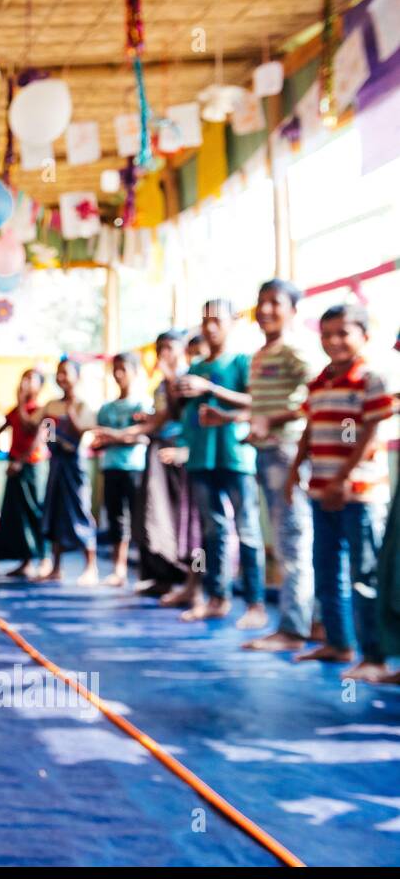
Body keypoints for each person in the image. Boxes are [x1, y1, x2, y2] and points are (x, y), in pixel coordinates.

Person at [290, 305, 396, 682]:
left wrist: (342, 480)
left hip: (359, 494)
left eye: (343, 332)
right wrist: (294, 472)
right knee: (327, 568)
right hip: (321, 491)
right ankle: (339, 643)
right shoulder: (319, 383)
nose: (334, 341)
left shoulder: (371, 379)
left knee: (364, 575)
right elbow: (309, 430)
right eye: (327, 333)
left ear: (364, 336)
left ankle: (374, 655)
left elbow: (367, 436)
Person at [174, 299, 267, 628]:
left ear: (233, 322)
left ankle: (255, 603)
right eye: (205, 320)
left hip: (236, 457)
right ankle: (217, 598)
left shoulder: (243, 361)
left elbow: (258, 401)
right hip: (200, 458)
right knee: (212, 533)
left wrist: (211, 388)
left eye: (216, 320)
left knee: (247, 531)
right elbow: (182, 416)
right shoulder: (194, 367)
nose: (210, 327)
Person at [242, 279, 317, 651]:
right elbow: (267, 405)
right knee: (292, 537)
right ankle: (313, 623)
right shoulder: (260, 354)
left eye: (275, 302)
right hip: (267, 451)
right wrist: (255, 425)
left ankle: (292, 629)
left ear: (292, 310)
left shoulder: (294, 349)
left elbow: (318, 393)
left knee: (292, 540)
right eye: (261, 302)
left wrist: (273, 421)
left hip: (290, 452)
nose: (266, 309)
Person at [130, 331, 203, 604]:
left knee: (189, 525)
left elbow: (183, 416)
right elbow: (162, 418)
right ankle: (163, 578)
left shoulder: (190, 378)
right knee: (155, 519)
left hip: (184, 454)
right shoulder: (161, 384)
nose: (164, 354)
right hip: (161, 451)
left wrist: (185, 451)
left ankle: (191, 582)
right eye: (160, 348)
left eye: (170, 348)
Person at [37, 359, 99, 586]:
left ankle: (91, 567)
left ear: (77, 377)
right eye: (59, 373)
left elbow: (81, 432)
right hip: (55, 464)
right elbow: (35, 427)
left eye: (67, 373)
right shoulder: (50, 405)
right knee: (54, 513)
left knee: (79, 511)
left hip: (75, 464)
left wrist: (70, 408)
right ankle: (55, 567)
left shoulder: (83, 405)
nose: (62, 377)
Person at [92, 352, 150, 587]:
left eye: (123, 369)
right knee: (116, 518)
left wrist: (114, 437)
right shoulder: (106, 409)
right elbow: (98, 440)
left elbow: (144, 437)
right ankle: (119, 568)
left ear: (135, 372)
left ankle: (145, 571)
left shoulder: (142, 405)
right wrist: (122, 437)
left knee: (140, 519)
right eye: (115, 369)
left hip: (136, 467)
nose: (118, 374)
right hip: (111, 467)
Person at [0, 368, 47, 578]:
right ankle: (25, 561)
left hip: (32, 466)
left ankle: (44, 559)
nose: (26, 383)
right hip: (14, 465)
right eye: (24, 378)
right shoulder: (16, 409)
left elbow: (32, 431)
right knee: (17, 515)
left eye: (31, 380)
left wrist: (21, 461)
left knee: (36, 511)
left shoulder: (41, 410)